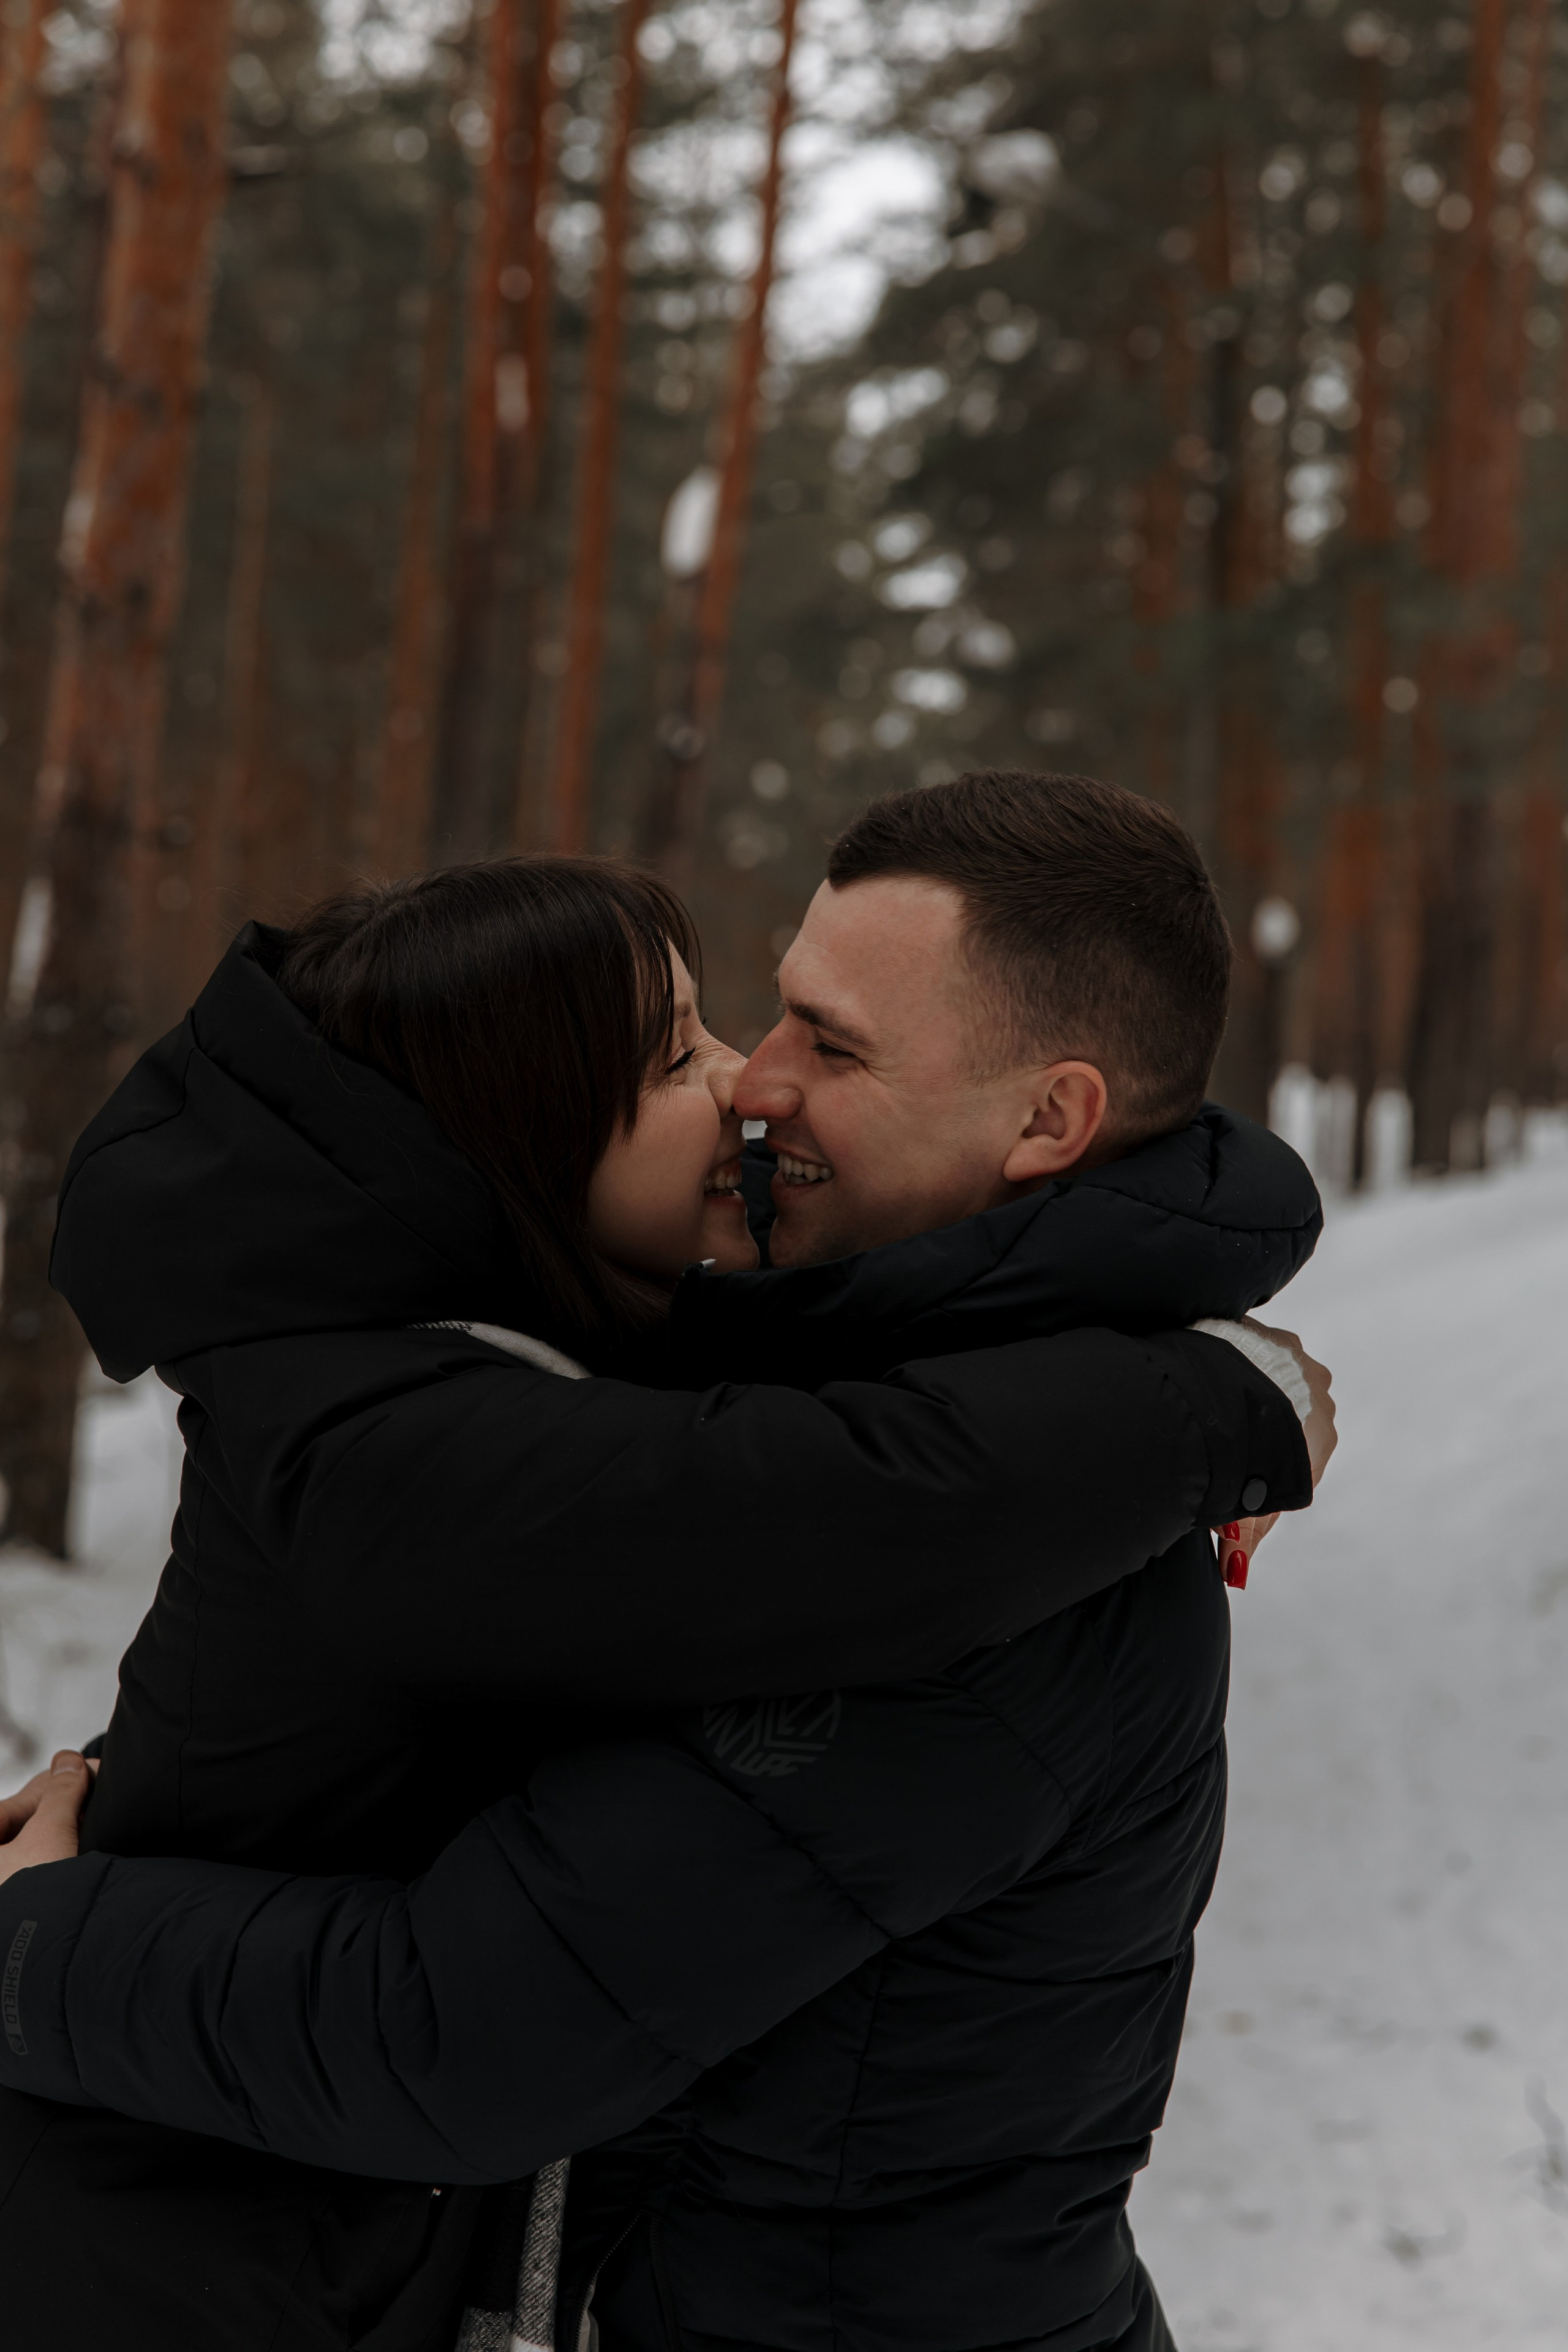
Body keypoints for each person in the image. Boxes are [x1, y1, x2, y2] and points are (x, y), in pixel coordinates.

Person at [0, 774, 1332, 2352]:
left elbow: (461, 2036)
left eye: (828, 1046)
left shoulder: (997, 1556)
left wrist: (39, 1940)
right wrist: (1207, 1396)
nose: (756, 1085)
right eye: (736, 1030)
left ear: (1051, 1117)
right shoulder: (787, 1411)